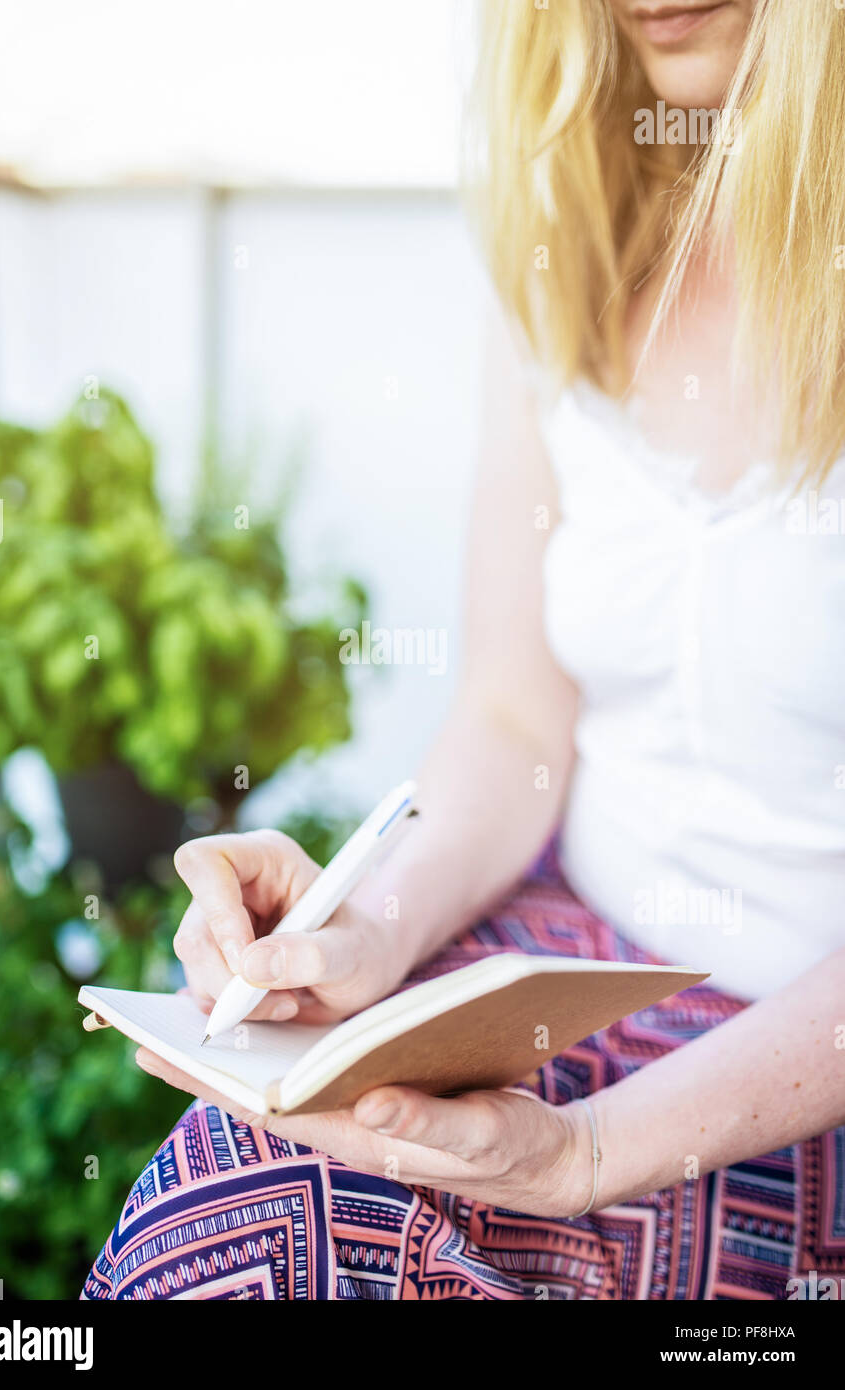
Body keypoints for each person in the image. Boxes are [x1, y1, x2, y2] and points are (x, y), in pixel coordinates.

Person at [84, 0, 845, 1300]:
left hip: (803, 1080)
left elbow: (580, 1155)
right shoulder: (576, 230)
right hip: (589, 957)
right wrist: (363, 931)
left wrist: (587, 1152)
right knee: (229, 1210)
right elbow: (513, 718)